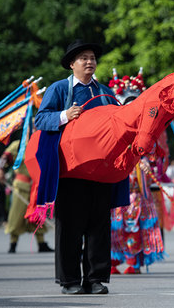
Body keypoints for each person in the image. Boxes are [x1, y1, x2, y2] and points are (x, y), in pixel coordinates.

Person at [34, 39, 123, 295]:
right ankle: (69, 280)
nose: (89, 61)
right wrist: (65, 115)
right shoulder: (59, 89)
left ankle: (95, 279)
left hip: (99, 170)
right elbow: (41, 119)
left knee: (98, 226)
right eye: (83, 57)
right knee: (70, 226)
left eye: (92, 57)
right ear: (72, 64)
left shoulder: (105, 92)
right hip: (70, 170)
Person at [109, 71, 166, 275]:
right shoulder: (113, 125)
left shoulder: (149, 129)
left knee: (133, 220)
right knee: (114, 221)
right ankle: (113, 261)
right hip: (116, 177)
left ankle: (133, 260)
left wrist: (148, 162)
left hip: (136, 185)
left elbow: (155, 153)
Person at [0, 140, 54, 253]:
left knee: (38, 214)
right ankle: (13, 242)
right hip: (21, 186)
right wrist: (0, 169)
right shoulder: (18, 144)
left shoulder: (42, 141)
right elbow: (5, 157)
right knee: (16, 215)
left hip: (37, 186)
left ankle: (41, 242)